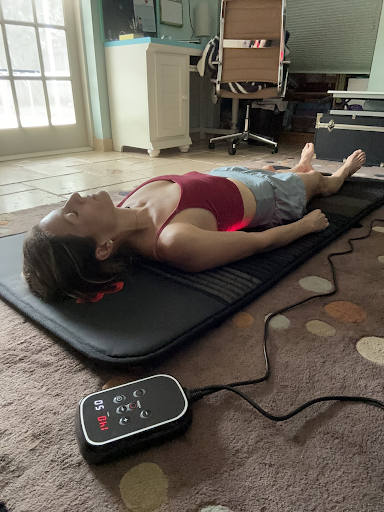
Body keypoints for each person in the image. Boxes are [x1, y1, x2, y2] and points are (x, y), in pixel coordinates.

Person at [22, 143, 366, 302]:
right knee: (321, 184)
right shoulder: (174, 241)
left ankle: (295, 168)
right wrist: (303, 227)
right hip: (271, 199)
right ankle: (333, 173)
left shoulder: (125, 204)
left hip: (225, 175)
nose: (73, 198)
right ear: (103, 247)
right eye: (71, 214)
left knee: (271, 169)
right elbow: (258, 243)